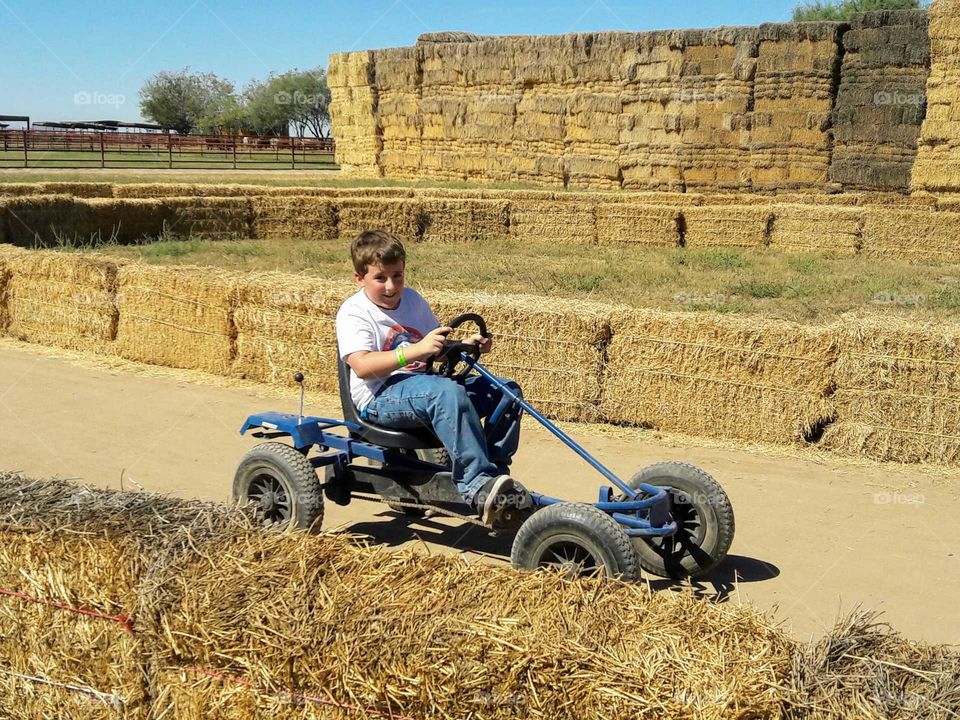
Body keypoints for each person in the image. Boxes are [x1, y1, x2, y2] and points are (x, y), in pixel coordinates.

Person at [335, 230, 530, 526]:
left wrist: (465, 345)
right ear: (359, 278)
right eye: (380, 278)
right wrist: (415, 351)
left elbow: (434, 348)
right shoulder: (354, 312)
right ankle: (477, 484)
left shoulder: (413, 300)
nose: (391, 286)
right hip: (380, 396)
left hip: (423, 388)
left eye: (398, 276)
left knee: (506, 391)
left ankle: (496, 476)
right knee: (445, 392)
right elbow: (362, 366)